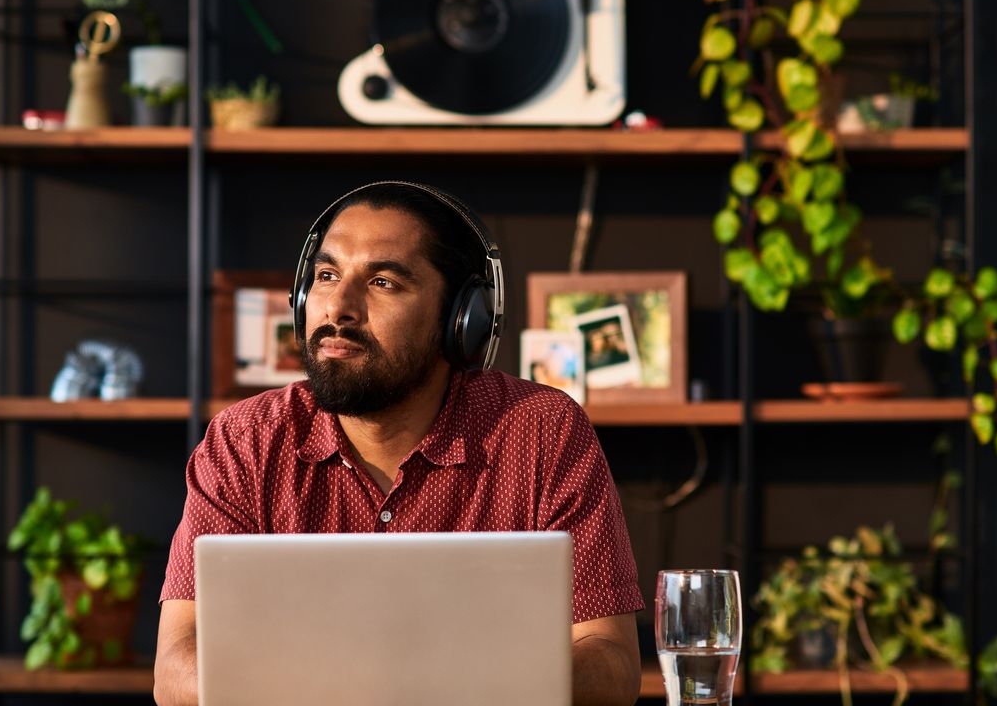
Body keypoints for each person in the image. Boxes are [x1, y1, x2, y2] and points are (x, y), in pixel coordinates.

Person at [153, 182, 645, 706]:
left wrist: (413, 683)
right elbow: (177, 668)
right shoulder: (246, 439)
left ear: (462, 320)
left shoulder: (541, 431)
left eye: (383, 282)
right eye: (326, 276)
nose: (338, 307)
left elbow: (611, 665)